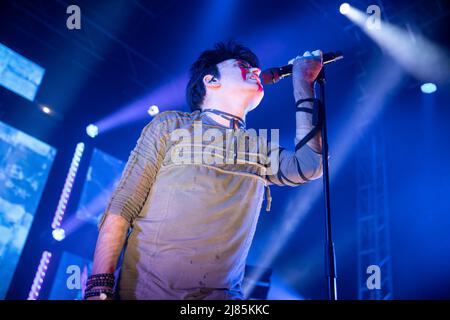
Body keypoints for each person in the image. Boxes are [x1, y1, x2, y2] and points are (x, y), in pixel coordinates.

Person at [85, 41, 323, 300]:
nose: (256, 71)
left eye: (255, 68)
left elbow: (311, 165)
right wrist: (99, 289)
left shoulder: (259, 147)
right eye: (243, 66)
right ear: (211, 80)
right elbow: (122, 206)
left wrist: (303, 83)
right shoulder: (171, 126)